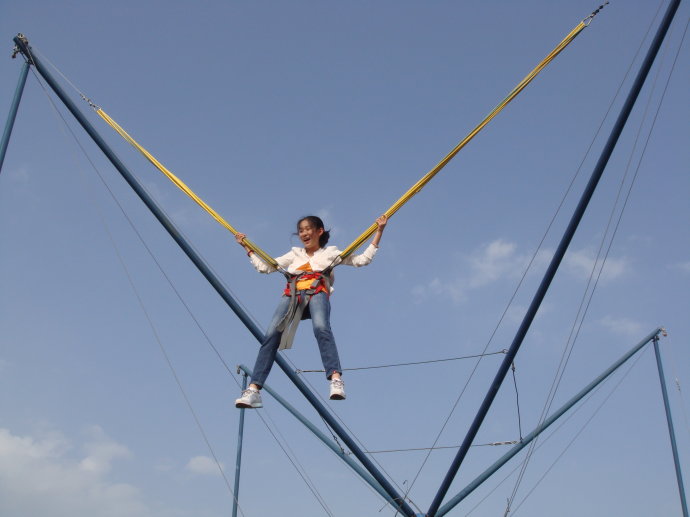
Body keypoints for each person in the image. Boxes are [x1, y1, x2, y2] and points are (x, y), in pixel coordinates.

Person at [234, 214, 388, 408]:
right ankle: (254, 390)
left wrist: (379, 231)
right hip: (292, 295)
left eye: (307, 229)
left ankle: (336, 379)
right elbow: (265, 267)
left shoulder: (330, 253)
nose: (304, 233)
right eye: (301, 230)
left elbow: (362, 260)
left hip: (317, 292)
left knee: (321, 327)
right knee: (271, 334)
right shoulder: (294, 254)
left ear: (319, 231)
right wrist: (247, 248)